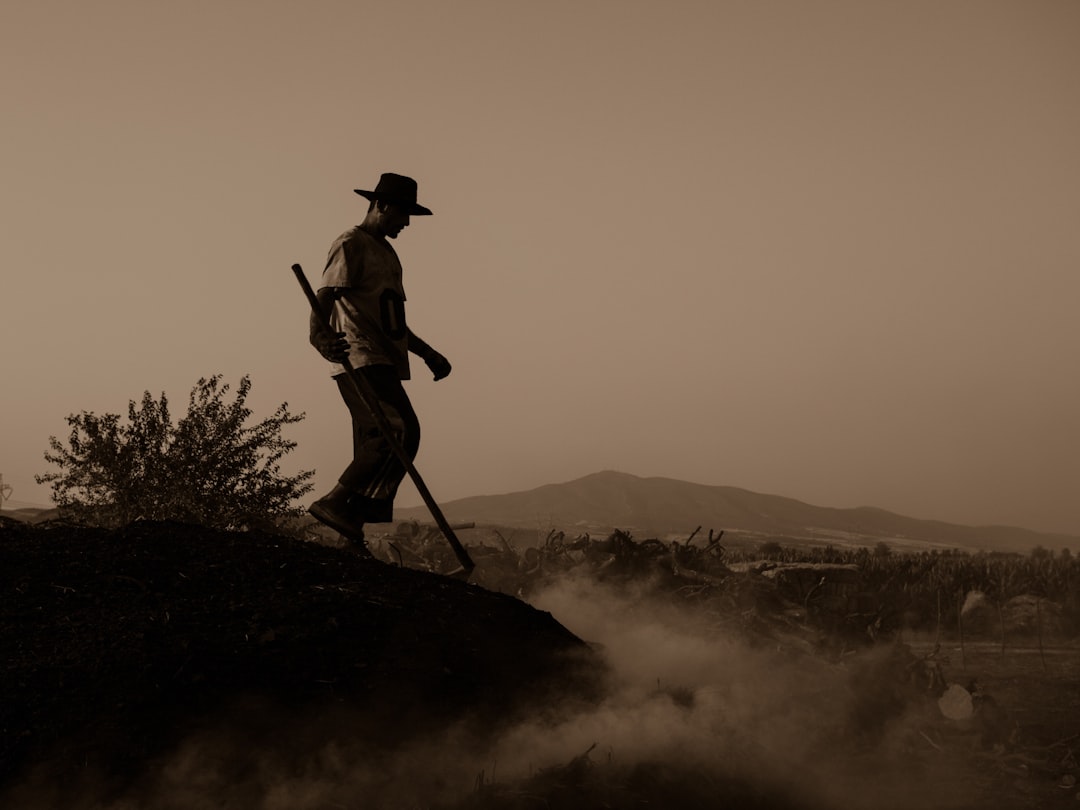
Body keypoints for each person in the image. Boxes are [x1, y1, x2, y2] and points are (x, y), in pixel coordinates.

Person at [307, 173, 452, 553]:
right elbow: (324, 298)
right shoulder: (349, 243)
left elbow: (394, 322)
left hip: (384, 358)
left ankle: (349, 529)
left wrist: (427, 353)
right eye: (403, 214)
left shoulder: (388, 253)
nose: (405, 223)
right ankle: (334, 503)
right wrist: (321, 339)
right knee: (397, 430)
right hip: (358, 355)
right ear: (381, 206)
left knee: (388, 438)